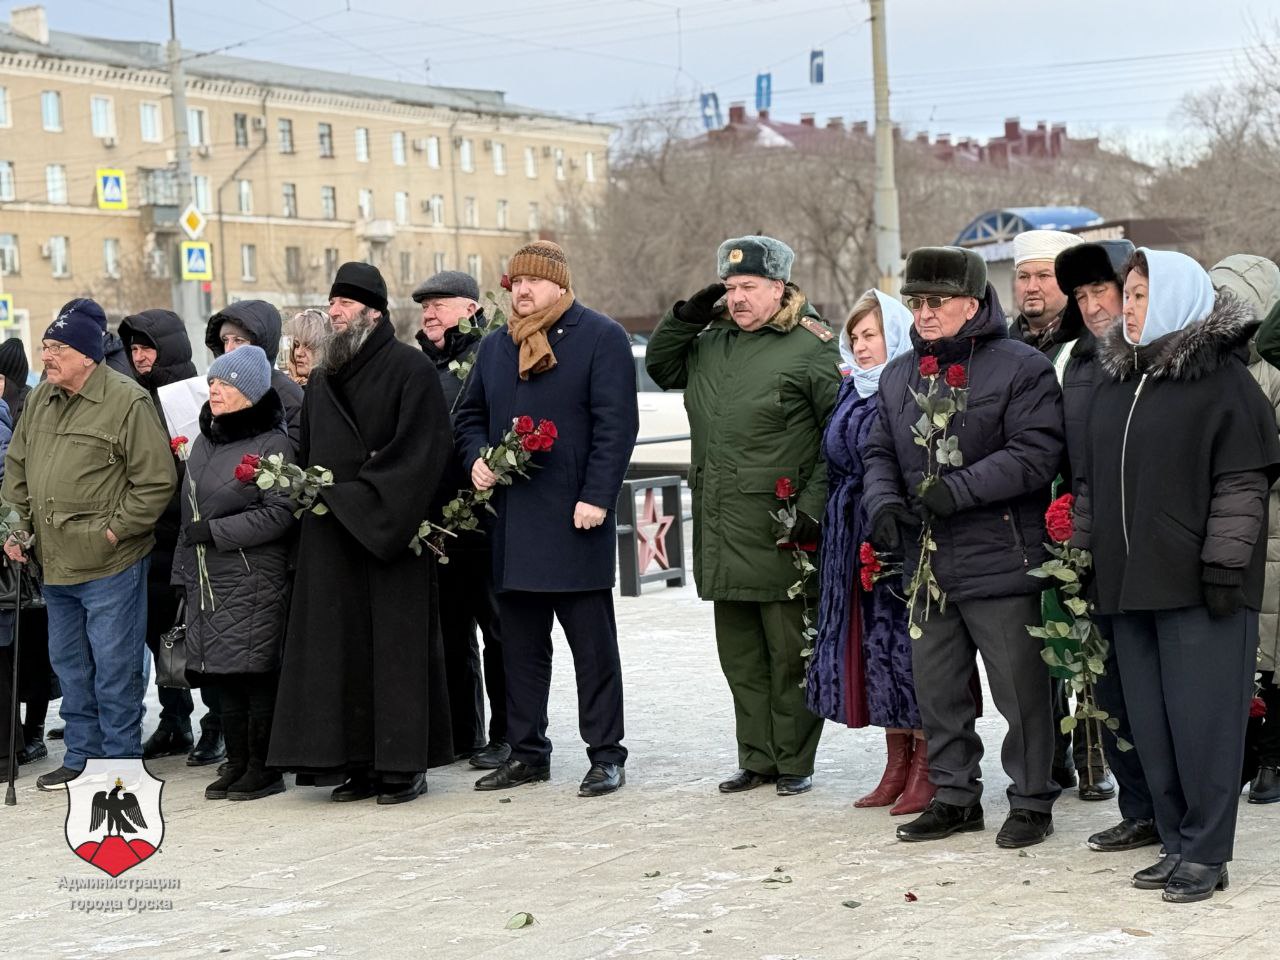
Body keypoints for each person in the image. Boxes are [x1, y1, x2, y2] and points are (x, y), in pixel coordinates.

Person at [1080, 248, 1280, 902]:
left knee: (1203, 725)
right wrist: (1083, 557)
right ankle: (1174, 841)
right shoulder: (1116, 382)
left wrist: (1224, 564)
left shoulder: (1225, 385)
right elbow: (1091, 485)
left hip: (1200, 589)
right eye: (1127, 295)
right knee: (1152, 724)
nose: (1128, 307)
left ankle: (1207, 852)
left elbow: (1242, 484)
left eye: (1140, 295)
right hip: (1127, 585)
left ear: (1176, 299)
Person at [862, 246, 1064, 848]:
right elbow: (878, 450)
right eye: (916, 302)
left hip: (1000, 557)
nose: (923, 313)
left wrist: (958, 490)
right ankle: (955, 796)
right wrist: (884, 505)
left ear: (971, 304)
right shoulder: (900, 374)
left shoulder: (1021, 367)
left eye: (936, 301)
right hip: (928, 563)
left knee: (1020, 692)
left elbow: (1036, 452)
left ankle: (1031, 799)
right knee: (939, 689)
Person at [647, 235, 841, 798]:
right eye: (729, 289)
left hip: (781, 527)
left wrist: (813, 509)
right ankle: (755, 759)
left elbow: (839, 440)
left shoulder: (811, 348)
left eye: (748, 287)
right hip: (721, 523)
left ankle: (793, 761)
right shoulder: (711, 343)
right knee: (740, 658)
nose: (737, 299)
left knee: (788, 655)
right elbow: (660, 365)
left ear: (779, 288)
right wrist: (685, 316)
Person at [456, 240, 637, 797]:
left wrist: (597, 497)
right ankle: (527, 751)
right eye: (515, 284)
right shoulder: (495, 348)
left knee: (592, 647)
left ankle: (606, 753)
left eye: (533, 282)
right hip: (514, 523)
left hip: (575, 519)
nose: (523, 292)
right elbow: (467, 417)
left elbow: (616, 426)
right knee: (521, 649)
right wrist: (478, 459)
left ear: (559, 284)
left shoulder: (600, 336)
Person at [268, 262, 454, 805]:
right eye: (332, 304)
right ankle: (355, 761)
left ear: (373, 313)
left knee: (394, 653)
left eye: (344, 305)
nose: (335, 313)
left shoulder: (410, 370)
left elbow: (421, 454)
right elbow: (310, 453)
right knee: (340, 652)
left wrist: (357, 498)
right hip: (333, 536)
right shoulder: (326, 378)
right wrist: (310, 493)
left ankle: (403, 766)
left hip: (387, 532)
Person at [1, 299, 176, 791]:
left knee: (115, 668)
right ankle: (80, 755)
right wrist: (13, 530)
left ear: (86, 354)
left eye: (56, 348)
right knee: (71, 667)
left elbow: (155, 483)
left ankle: (120, 763)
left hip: (111, 561)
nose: (46, 356)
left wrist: (114, 531)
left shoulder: (126, 400)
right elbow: (16, 470)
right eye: (44, 347)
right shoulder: (39, 399)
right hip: (54, 562)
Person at [1051, 238, 1160, 853]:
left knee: (1153, 689)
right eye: (1084, 295)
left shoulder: (1156, 356)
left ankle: (1171, 810)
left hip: (1153, 544)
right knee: (1112, 687)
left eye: (1104, 291)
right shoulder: (1079, 363)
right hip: (1097, 545)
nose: (1093, 305)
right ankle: (1138, 805)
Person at [807, 289, 934, 814]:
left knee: (908, 648)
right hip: (848, 533)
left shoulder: (910, 388)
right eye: (855, 337)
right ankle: (895, 763)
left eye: (871, 335)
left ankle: (929, 766)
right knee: (872, 650)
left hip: (893, 532)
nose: (861, 347)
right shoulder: (852, 391)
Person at [174, 346, 294, 801]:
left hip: (251, 575)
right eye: (212, 383)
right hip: (208, 576)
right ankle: (238, 762)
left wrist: (216, 532)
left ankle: (264, 768)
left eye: (224, 384)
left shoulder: (273, 443)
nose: (214, 391)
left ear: (249, 391)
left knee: (252, 673)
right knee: (222, 675)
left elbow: (281, 513)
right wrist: (185, 569)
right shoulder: (206, 439)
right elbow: (190, 514)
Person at [118, 309, 225, 769]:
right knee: (159, 633)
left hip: (191, 533)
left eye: (148, 347)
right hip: (145, 538)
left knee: (203, 635)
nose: (140, 357)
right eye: (134, 349)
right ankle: (175, 719)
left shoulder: (195, 397)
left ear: (170, 348)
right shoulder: (128, 398)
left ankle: (217, 724)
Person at [413, 270, 508, 769]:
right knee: (450, 633)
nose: (429, 313)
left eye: (440, 305)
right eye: (425, 306)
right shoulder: (418, 367)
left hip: (486, 519)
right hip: (435, 525)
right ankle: (461, 732)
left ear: (471, 308)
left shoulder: (491, 355)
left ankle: (508, 734)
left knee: (498, 631)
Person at [1207, 254, 1280, 805]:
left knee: (1274, 648)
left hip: (1273, 521)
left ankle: (1272, 753)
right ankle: (1245, 749)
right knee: (1242, 648)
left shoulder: (1274, 371)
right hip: (1230, 522)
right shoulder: (1209, 368)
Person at [0, 338, 61, 765]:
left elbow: (13, 486)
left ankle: (28, 734)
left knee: (30, 650)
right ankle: (24, 736)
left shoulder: (16, 417)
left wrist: (15, 530)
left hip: (21, 558)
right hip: (20, 555)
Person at [204, 301, 304, 445]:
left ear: (261, 344)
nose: (229, 349)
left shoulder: (287, 393)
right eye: (225, 341)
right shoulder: (219, 384)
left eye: (238, 340)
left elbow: (290, 455)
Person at [283, 308, 330, 388]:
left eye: (308, 346)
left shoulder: (331, 389)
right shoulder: (285, 386)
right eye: (296, 345)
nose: (298, 353)